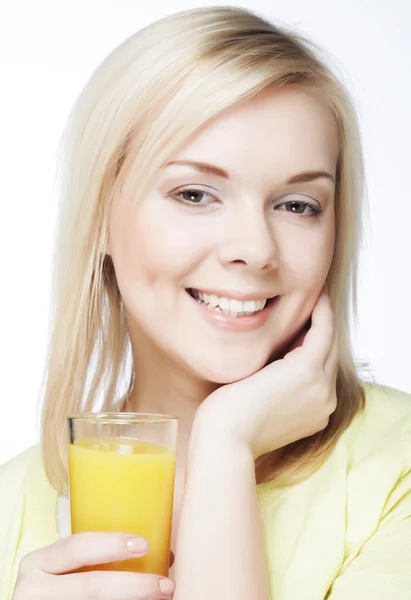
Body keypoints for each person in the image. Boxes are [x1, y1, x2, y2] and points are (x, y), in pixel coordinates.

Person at [1, 5, 410, 600]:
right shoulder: (13, 503)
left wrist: (224, 445)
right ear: (101, 220)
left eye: (298, 204)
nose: (254, 249)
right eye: (195, 193)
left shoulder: (397, 472)